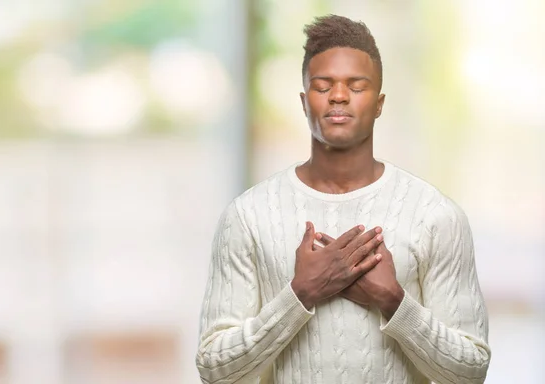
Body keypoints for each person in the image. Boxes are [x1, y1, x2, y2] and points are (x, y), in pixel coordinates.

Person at [196, 14, 490, 384]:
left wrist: (393, 301)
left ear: (379, 103)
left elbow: (470, 371)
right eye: (323, 86)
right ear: (304, 102)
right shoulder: (247, 216)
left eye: (356, 85)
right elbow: (214, 370)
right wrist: (300, 293)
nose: (338, 96)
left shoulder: (436, 215)